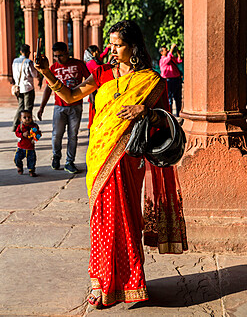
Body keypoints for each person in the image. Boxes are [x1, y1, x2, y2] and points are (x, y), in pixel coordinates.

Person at [35, 20, 188, 308]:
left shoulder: (152, 81)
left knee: (127, 220)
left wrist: (146, 111)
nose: (113, 50)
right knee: (103, 220)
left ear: (134, 47)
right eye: (112, 44)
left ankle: (131, 283)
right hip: (100, 157)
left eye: (119, 45)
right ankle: (101, 283)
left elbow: (165, 123)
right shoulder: (102, 74)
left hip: (129, 158)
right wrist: (46, 71)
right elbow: (69, 96)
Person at [37, 42, 90, 174]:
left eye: (60, 55)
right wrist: (41, 107)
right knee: (56, 135)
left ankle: (69, 162)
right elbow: (48, 89)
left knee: (73, 136)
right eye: (55, 56)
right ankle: (56, 156)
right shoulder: (53, 68)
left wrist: (93, 99)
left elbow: (90, 81)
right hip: (59, 106)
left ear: (67, 53)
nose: (58, 59)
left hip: (75, 106)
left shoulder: (78, 64)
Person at [12, 44, 41, 132]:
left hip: (18, 87)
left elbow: (13, 74)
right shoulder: (28, 62)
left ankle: (16, 125)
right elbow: (34, 74)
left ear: (21, 51)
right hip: (28, 87)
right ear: (29, 52)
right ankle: (27, 126)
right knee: (28, 108)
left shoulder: (15, 61)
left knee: (20, 107)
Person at [83, 44, 111, 129]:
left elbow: (102, 55)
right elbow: (102, 70)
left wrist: (108, 48)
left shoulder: (95, 60)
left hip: (98, 89)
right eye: (97, 52)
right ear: (93, 53)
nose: (99, 53)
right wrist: (109, 62)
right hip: (94, 90)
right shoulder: (91, 62)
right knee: (94, 114)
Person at [14, 110, 42, 177]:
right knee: (17, 158)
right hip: (21, 147)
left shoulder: (34, 126)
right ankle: (19, 166)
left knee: (31, 160)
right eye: (24, 117)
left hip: (30, 147)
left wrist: (35, 139)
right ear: (21, 119)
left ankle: (31, 170)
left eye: (29, 117)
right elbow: (17, 133)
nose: (27, 119)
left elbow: (39, 134)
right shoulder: (20, 126)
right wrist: (22, 134)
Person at [159, 44, 183, 117]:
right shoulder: (162, 60)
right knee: (169, 99)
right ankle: (170, 116)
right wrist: (172, 48)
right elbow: (168, 59)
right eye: (165, 50)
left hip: (176, 80)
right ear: (161, 52)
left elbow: (178, 61)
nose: (167, 50)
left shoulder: (170, 58)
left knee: (178, 98)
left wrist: (179, 55)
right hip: (168, 81)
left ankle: (179, 114)